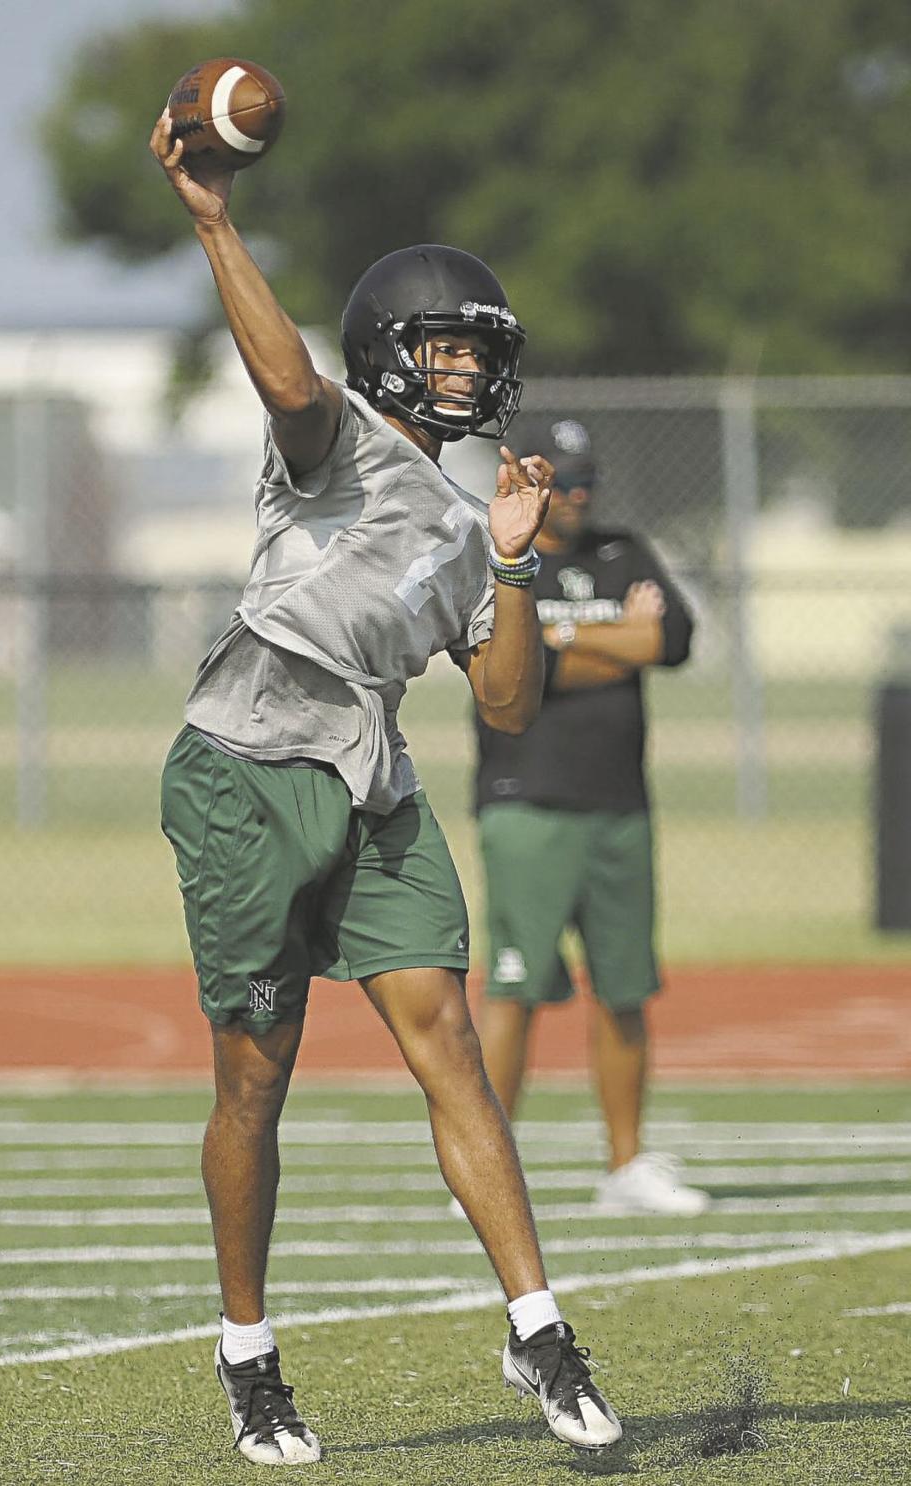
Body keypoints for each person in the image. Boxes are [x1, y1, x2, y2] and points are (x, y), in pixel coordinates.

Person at [149, 115, 622, 1464]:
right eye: (449, 346)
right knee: (256, 1080)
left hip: (370, 769)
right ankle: (248, 1353)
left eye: (483, 351)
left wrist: (520, 567)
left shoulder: (480, 526)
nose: (471, 370)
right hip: (244, 767)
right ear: (392, 355)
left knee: (451, 1039)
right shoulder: (333, 436)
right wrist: (212, 217)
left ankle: (539, 1328)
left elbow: (507, 700)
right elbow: (289, 382)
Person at [474, 420, 710, 1217]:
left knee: (624, 986)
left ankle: (626, 1165)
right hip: (528, 802)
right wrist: (618, 635)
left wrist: (569, 633)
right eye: (562, 483)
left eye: (585, 483)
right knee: (516, 986)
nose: (577, 497)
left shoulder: (624, 549)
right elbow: (521, 663)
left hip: (619, 806)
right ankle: (485, 1160)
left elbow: (673, 638)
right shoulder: (506, 558)